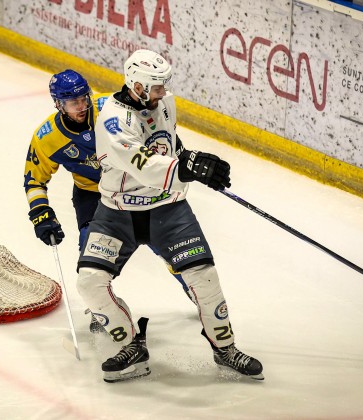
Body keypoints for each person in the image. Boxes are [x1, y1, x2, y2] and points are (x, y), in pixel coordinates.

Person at [76, 49, 264, 383]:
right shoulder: (113, 121)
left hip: (168, 209)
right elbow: (145, 166)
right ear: (137, 86)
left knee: (204, 277)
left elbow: (168, 143)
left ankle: (224, 348)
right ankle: (131, 345)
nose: (164, 92)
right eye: (157, 86)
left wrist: (193, 160)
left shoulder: (164, 103)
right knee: (90, 282)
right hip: (118, 213)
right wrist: (188, 169)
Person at [23, 69, 193, 333]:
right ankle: (102, 308)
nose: (82, 106)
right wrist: (41, 211)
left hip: (135, 184)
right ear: (58, 104)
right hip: (92, 195)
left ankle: (195, 288)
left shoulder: (110, 108)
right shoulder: (46, 138)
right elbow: (34, 180)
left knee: (168, 243)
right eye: (73, 102)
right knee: (90, 251)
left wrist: (173, 150)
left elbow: (154, 127)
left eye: (84, 98)